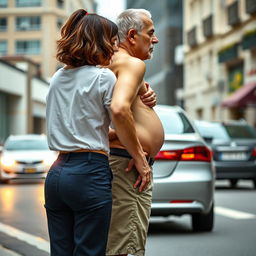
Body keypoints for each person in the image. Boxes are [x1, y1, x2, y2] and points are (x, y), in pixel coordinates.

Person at [44, 9, 119, 256]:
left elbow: (76, 127)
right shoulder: (103, 77)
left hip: (57, 174)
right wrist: (140, 157)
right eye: (112, 40)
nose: (115, 48)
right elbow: (121, 120)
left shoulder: (57, 78)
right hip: (89, 171)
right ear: (99, 42)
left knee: (61, 252)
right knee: (89, 251)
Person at [106, 9, 165, 256]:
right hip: (126, 165)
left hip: (125, 163)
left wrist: (144, 95)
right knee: (124, 246)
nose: (155, 40)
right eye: (150, 33)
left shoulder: (119, 64)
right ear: (132, 35)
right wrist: (138, 154)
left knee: (123, 241)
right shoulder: (128, 62)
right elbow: (109, 116)